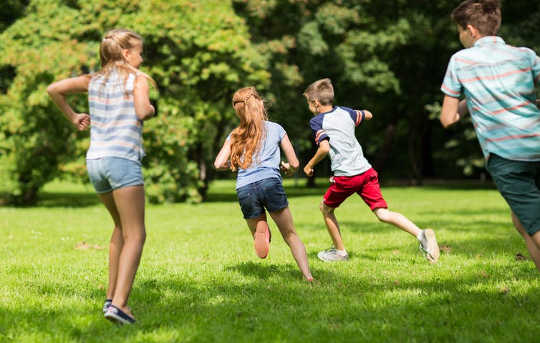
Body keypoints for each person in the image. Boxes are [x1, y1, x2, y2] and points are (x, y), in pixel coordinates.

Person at [47, 29, 156, 324]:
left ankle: (111, 298)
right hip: (122, 160)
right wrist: (150, 107)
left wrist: (72, 117)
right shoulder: (137, 79)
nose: (141, 57)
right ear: (125, 54)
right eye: (139, 52)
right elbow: (142, 111)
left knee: (120, 228)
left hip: (96, 162)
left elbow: (54, 89)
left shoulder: (93, 80)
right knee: (137, 234)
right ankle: (120, 305)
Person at [440, 0, 540, 272]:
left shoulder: (460, 61)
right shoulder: (525, 55)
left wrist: (470, 98)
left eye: (459, 31)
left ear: (470, 30)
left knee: (535, 223)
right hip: (537, 143)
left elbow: (447, 118)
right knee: (521, 222)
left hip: (507, 155)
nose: (459, 37)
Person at [303, 78, 440, 263]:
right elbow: (368, 114)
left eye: (309, 103)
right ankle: (421, 234)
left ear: (316, 103)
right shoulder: (346, 112)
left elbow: (324, 148)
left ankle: (340, 252)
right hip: (366, 172)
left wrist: (309, 165)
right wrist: (360, 116)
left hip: (346, 176)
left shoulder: (317, 121)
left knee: (326, 209)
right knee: (383, 213)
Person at [214, 86, 313, 281]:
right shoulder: (276, 128)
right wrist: (287, 168)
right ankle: (308, 276)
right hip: (270, 182)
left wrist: (235, 163)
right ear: (259, 103)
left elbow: (218, 164)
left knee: (261, 233)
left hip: (245, 188)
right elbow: (294, 163)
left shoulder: (235, 134)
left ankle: (262, 230)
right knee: (290, 234)